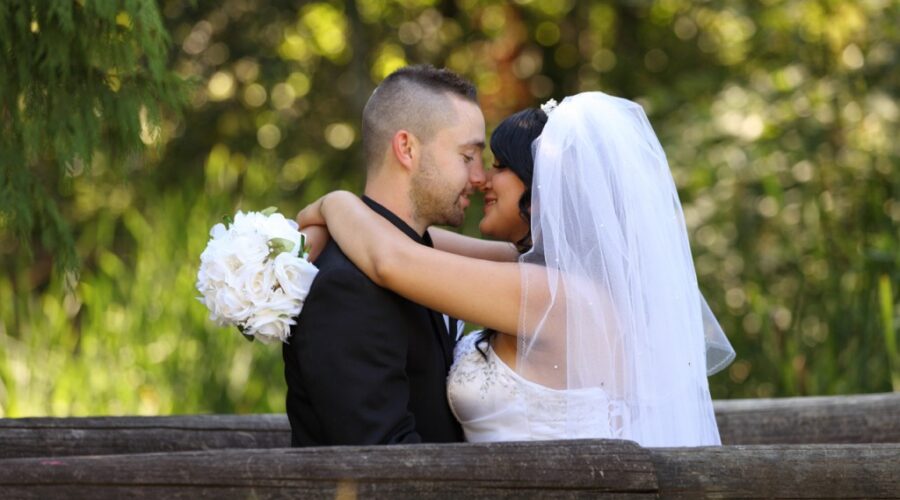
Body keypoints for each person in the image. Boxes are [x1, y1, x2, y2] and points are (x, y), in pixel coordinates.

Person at [297, 92, 734, 446]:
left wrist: (332, 203)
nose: (483, 179)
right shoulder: (546, 276)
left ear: (543, 187)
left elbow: (392, 259)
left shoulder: (553, 296)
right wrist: (329, 227)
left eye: (501, 167)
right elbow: (414, 239)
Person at [282, 65, 488, 446]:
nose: (480, 177)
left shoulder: (420, 257)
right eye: (466, 156)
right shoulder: (346, 287)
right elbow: (382, 464)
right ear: (407, 148)